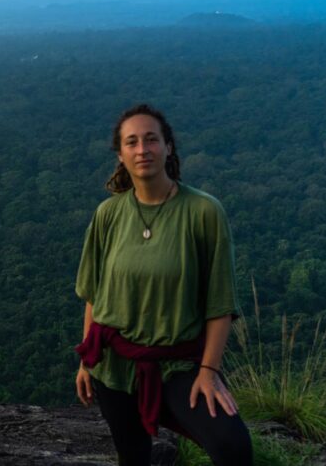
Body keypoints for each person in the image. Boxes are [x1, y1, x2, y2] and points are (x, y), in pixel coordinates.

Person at [73, 103, 253, 465]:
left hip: (179, 362)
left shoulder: (203, 212)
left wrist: (208, 371)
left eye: (152, 139)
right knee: (133, 456)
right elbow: (94, 293)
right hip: (115, 365)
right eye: (132, 142)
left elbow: (220, 304)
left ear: (168, 147)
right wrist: (86, 361)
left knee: (232, 446)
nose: (143, 150)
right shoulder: (108, 214)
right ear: (120, 155)